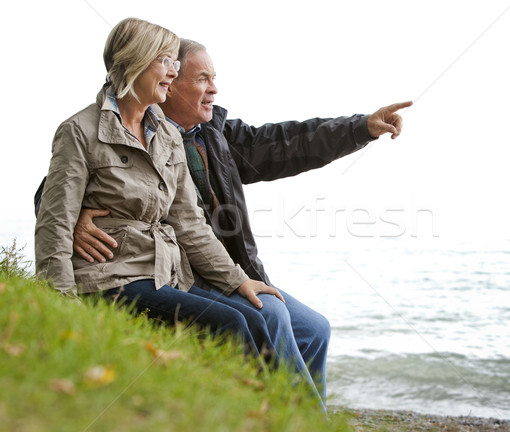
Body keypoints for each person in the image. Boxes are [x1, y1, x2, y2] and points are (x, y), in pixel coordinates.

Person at [34, 37, 412, 409]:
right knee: (271, 315)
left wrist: (360, 128)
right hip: (170, 268)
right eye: (201, 79)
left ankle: (304, 415)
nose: (213, 89)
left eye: (213, 78)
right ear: (173, 81)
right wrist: (80, 220)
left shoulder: (214, 134)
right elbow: (54, 193)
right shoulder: (118, 129)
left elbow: (288, 143)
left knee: (314, 329)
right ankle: (288, 416)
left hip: (222, 266)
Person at [34, 18, 285, 361]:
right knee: (231, 324)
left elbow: (189, 222)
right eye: (165, 61)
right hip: (109, 280)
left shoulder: (166, 135)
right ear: (135, 61)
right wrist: (61, 302)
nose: (172, 72)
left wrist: (238, 280)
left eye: (175, 63)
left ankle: (274, 412)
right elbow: (55, 223)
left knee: (253, 317)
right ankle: (250, 412)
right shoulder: (80, 130)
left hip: (162, 277)